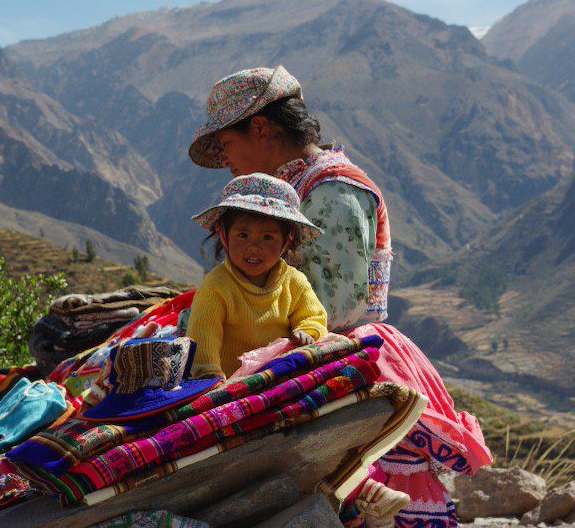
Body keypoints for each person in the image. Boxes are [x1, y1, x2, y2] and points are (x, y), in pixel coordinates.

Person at [189, 66, 492, 527]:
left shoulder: (332, 191)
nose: (227, 160)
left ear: (261, 127)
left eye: (227, 144)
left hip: (337, 359)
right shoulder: (297, 188)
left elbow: (333, 311)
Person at [185, 172, 328, 379]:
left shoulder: (294, 282)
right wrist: (211, 380)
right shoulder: (216, 287)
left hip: (279, 381)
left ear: (285, 243)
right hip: (230, 386)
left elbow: (313, 317)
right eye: (243, 235)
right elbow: (202, 342)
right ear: (224, 235)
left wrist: (308, 332)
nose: (253, 247)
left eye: (267, 237)